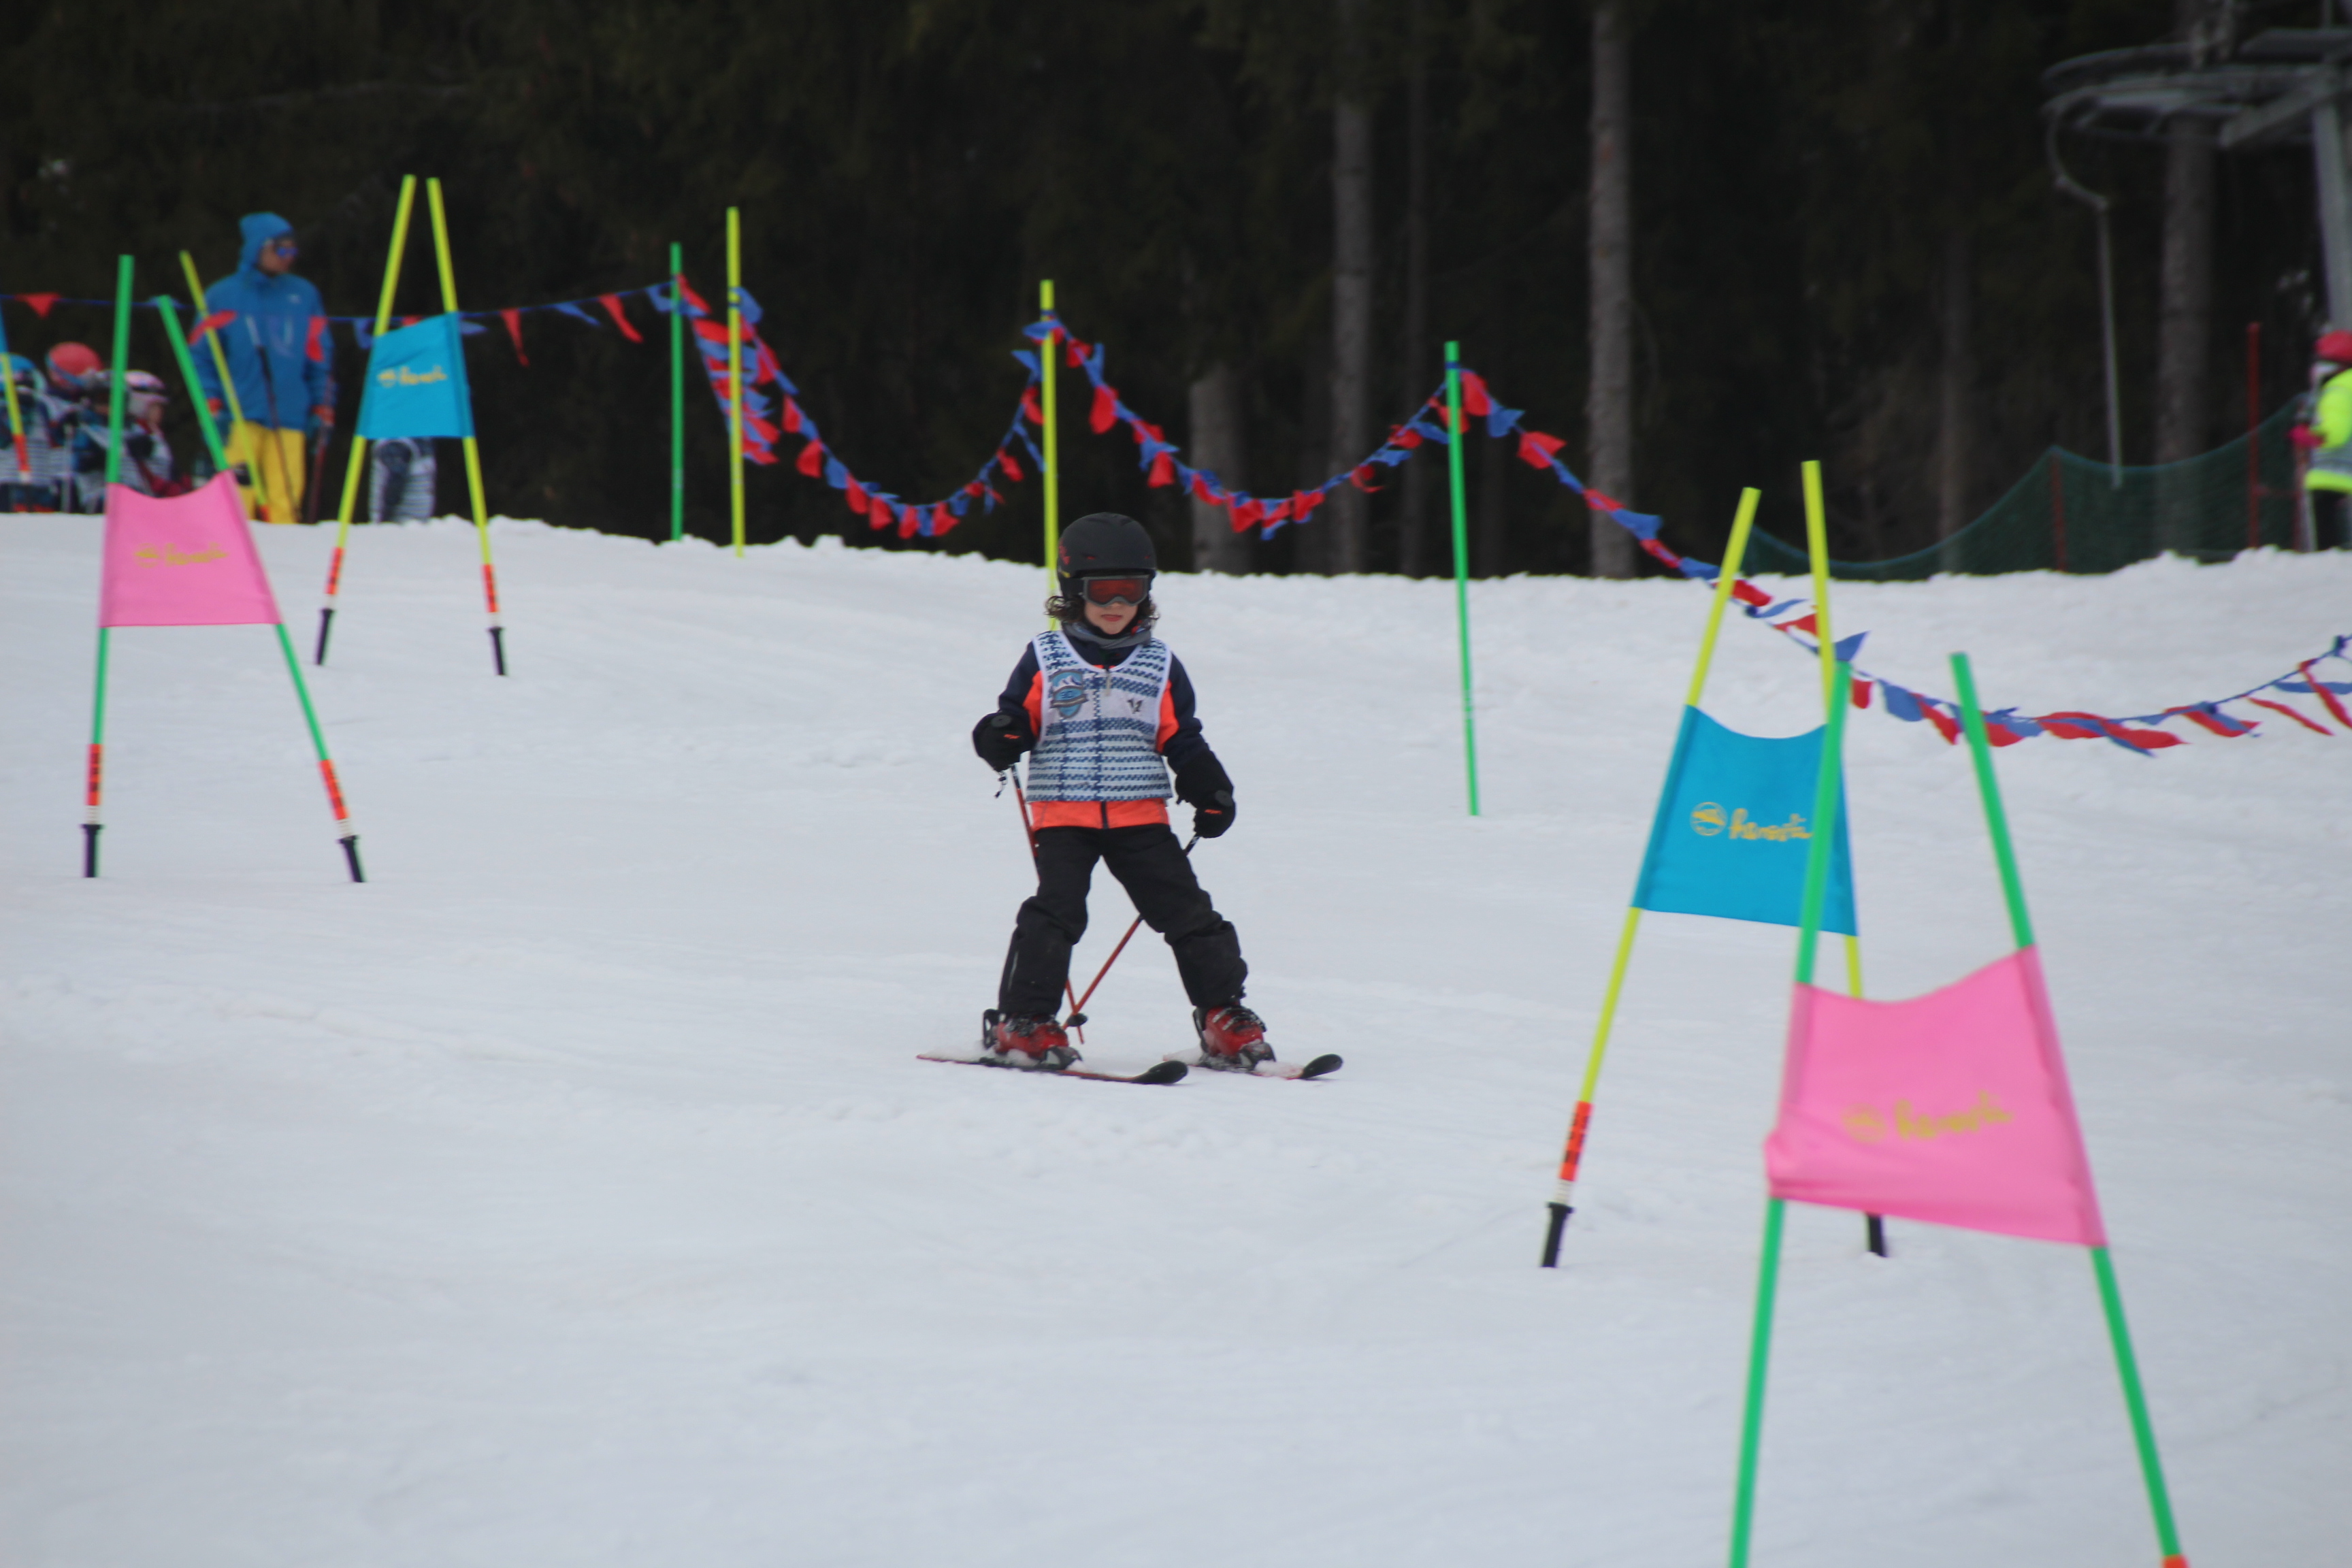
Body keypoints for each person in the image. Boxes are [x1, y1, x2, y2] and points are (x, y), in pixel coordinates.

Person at [970, 511, 1270, 1072]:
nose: (1116, 605)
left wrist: (1210, 787)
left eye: (1130, 591)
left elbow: (1182, 737)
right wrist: (1000, 735)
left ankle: (1223, 1016)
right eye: (1102, 591)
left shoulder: (1160, 664)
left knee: (1190, 914)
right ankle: (1023, 1021)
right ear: (1073, 592)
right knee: (1056, 914)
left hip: (1141, 817)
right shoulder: (1047, 657)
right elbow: (1017, 719)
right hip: (1064, 816)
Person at [194, 212, 333, 523]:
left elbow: (319, 354)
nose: (289, 257)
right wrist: (210, 399)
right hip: (239, 415)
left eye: (293, 250)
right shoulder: (223, 295)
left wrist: (322, 403)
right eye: (281, 249)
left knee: (286, 501)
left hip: (290, 415)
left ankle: (283, 551)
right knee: (235, 500)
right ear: (259, 247)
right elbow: (201, 355)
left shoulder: (304, 295)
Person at [2291, 327, 2352, 550]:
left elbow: (2335, 433)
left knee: (2325, 538)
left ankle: (2326, 559)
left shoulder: (2338, 390)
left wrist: (2309, 435)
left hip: (2335, 473)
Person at [369, 436, 438, 521]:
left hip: (411, 521)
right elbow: (395, 484)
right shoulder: (396, 443)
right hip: (399, 521)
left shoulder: (421, 441)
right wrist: (385, 522)